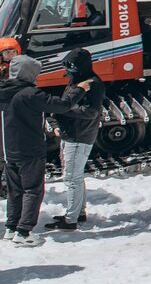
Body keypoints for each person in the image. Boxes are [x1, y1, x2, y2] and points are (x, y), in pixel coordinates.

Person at [2, 56, 96, 245]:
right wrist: (80, 89)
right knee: (33, 190)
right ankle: (24, 233)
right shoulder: (30, 94)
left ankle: (11, 229)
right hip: (29, 150)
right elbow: (62, 105)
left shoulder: (3, 91)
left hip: (9, 149)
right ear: (29, 73)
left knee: (15, 191)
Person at [48, 48, 103, 232]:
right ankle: (79, 212)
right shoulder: (76, 81)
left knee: (71, 177)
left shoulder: (92, 84)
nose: (68, 71)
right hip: (70, 134)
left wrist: (64, 111)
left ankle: (71, 219)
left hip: (79, 136)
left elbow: (91, 111)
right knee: (76, 176)